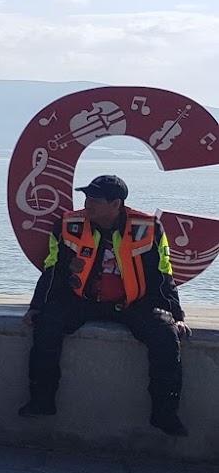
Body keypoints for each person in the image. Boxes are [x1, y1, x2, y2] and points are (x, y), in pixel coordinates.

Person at [20, 174, 189, 436]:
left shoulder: (149, 227)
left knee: (166, 336)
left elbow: (163, 273)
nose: (87, 204)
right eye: (86, 197)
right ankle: (41, 402)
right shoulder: (68, 224)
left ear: (116, 204)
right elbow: (52, 268)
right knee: (47, 324)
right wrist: (36, 307)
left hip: (135, 303)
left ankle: (165, 414)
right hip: (82, 300)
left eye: (95, 200)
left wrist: (176, 315)